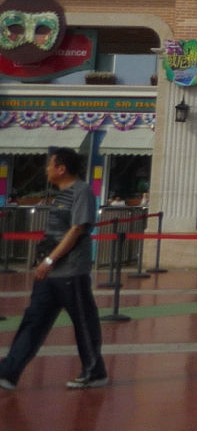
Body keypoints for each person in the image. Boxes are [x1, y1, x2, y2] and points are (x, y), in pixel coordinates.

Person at [0, 145, 106, 391]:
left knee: (84, 322)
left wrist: (50, 260)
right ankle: (9, 372)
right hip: (49, 274)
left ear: (61, 168)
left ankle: (94, 371)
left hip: (71, 272)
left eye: (50, 164)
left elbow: (77, 229)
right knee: (33, 320)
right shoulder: (60, 195)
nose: (46, 169)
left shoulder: (82, 192)